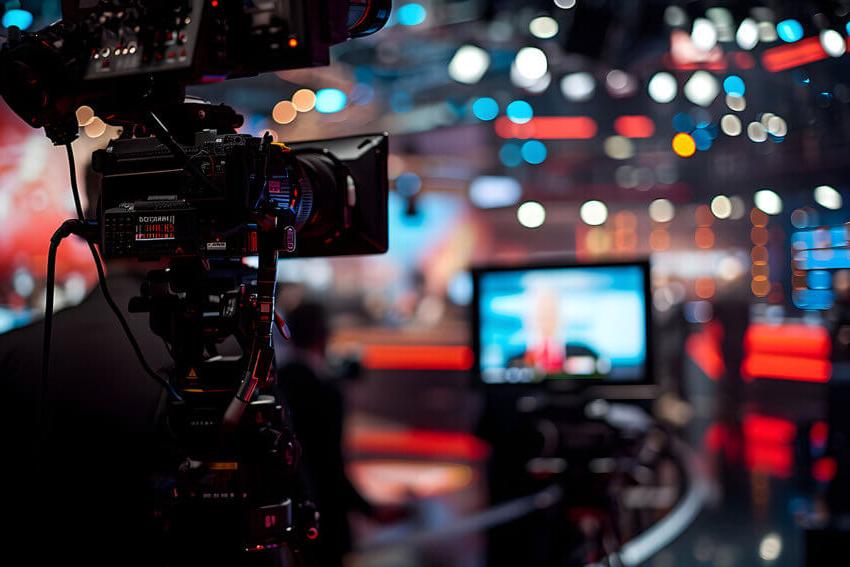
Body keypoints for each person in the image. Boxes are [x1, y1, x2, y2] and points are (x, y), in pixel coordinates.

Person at [276, 301, 374, 567]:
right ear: (324, 336)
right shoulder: (326, 392)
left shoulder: (274, 382)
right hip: (324, 519)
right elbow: (330, 465)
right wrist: (369, 509)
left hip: (284, 515)